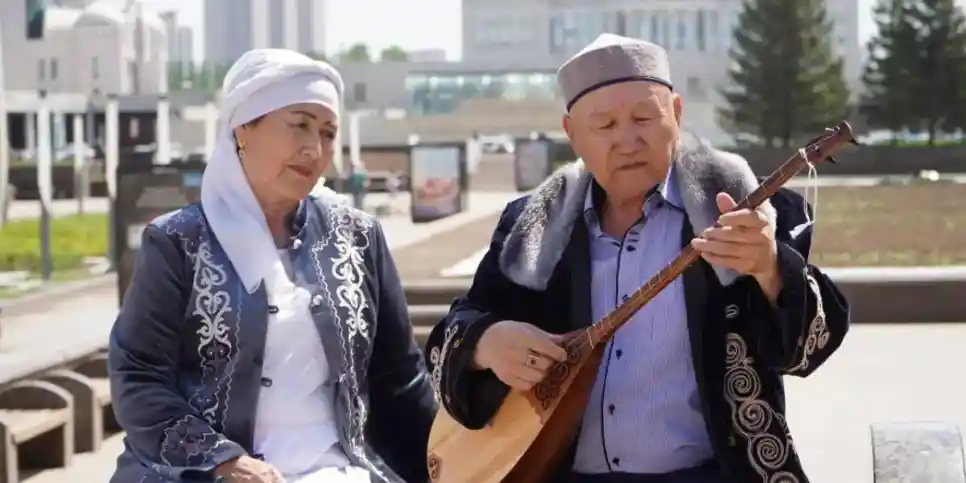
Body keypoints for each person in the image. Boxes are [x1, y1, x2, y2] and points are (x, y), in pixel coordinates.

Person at [425, 34, 849, 483]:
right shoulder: (532, 227)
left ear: (677, 114)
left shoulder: (747, 211)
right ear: (572, 134)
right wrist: (484, 344)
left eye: (644, 117)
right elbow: (455, 329)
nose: (628, 140)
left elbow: (811, 349)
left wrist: (770, 268)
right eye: (604, 125)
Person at [108, 49, 436, 483]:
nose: (314, 148)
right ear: (244, 128)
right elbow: (138, 378)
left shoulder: (357, 237)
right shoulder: (178, 242)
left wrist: (450, 460)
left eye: (328, 132)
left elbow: (401, 379)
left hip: (334, 469)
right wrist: (223, 461)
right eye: (299, 124)